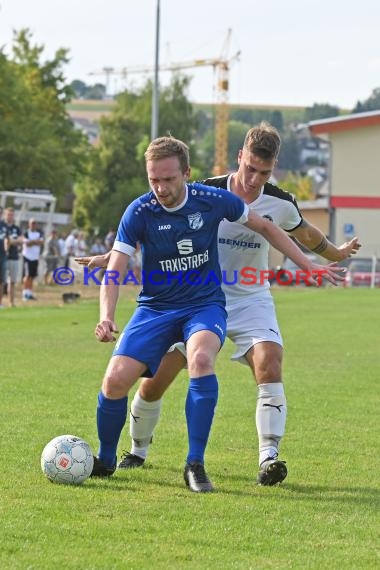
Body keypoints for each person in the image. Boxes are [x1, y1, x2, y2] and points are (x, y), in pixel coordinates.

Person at [81, 124, 360, 486]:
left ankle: (267, 457)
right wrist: (112, 256)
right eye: (251, 170)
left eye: (265, 172)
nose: (256, 179)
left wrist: (330, 254)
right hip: (186, 295)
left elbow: (301, 232)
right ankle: (136, 449)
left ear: (273, 166)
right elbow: (149, 230)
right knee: (154, 381)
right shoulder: (205, 191)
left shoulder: (279, 201)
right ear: (239, 157)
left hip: (245, 297)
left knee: (269, 361)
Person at [22, 218, 44, 301]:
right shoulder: (26, 233)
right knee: (27, 276)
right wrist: (35, 242)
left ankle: (29, 293)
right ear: (29, 224)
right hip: (28, 257)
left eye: (35, 223)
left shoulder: (39, 233)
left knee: (32, 276)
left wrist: (33, 242)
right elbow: (27, 244)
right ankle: (25, 293)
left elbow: (41, 242)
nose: (33, 225)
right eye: (32, 223)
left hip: (35, 257)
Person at [4, 207, 23, 307]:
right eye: (8, 214)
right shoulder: (2, 227)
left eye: (11, 215)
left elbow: (21, 240)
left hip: (14, 257)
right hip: (3, 257)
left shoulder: (17, 228)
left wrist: (11, 241)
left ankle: (11, 303)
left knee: (12, 281)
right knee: (1, 281)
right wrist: (11, 241)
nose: (10, 216)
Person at [0, 207, 8, 309]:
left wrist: (7, 246)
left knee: (1, 280)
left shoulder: (4, 225)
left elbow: (7, 238)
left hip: (2, 256)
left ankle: (0, 302)